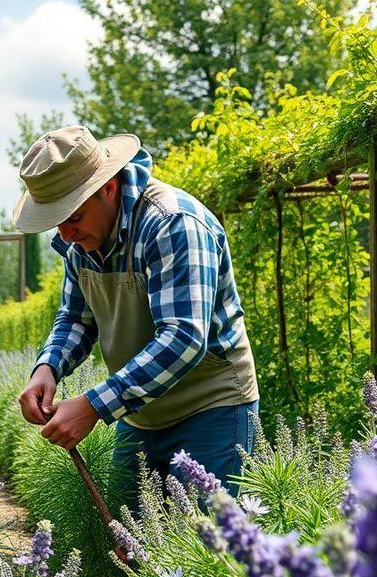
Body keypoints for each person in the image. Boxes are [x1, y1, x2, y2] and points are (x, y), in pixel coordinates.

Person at [13, 125, 259, 501]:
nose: (65, 233)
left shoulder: (173, 224)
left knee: (213, 550)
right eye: (56, 221)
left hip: (211, 409)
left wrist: (93, 406)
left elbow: (184, 338)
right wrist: (47, 368)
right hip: (139, 413)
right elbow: (76, 319)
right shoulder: (81, 242)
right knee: (133, 547)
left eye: (73, 217)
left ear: (107, 188)